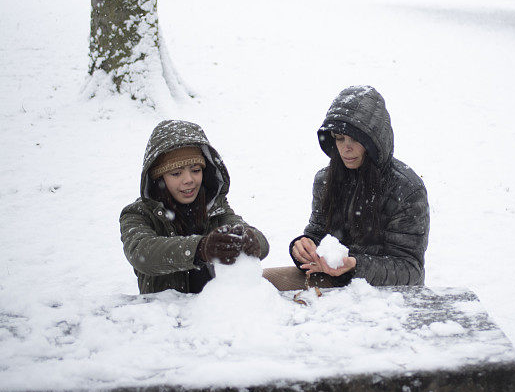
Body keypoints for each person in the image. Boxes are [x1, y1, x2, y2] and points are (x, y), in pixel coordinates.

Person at [263, 85, 429, 290]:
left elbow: (410, 270)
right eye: (339, 138)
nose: (345, 148)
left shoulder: (407, 190)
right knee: (259, 284)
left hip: (387, 294)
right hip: (332, 281)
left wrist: (354, 265)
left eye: (355, 140)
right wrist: (304, 246)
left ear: (374, 143)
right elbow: (317, 232)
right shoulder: (326, 179)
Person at [121, 120, 269, 294]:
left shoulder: (213, 207)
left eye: (196, 170)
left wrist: (249, 240)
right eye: (176, 173)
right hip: (165, 315)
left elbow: (262, 243)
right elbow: (142, 254)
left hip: (214, 308)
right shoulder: (138, 214)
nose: (189, 179)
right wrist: (200, 249)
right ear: (159, 178)